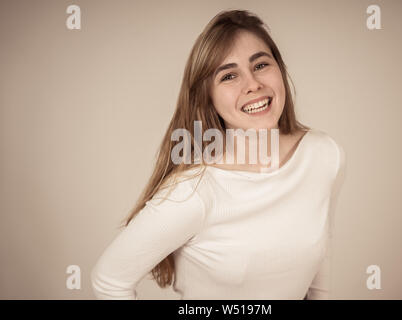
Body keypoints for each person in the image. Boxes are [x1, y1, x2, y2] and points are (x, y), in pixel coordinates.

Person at [91, 9, 346, 300]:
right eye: (229, 76)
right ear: (207, 97)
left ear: (280, 69)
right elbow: (109, 280)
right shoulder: (194, 190)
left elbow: (319, 262)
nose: (252, 84)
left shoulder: (324, 155)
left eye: (260, 65)